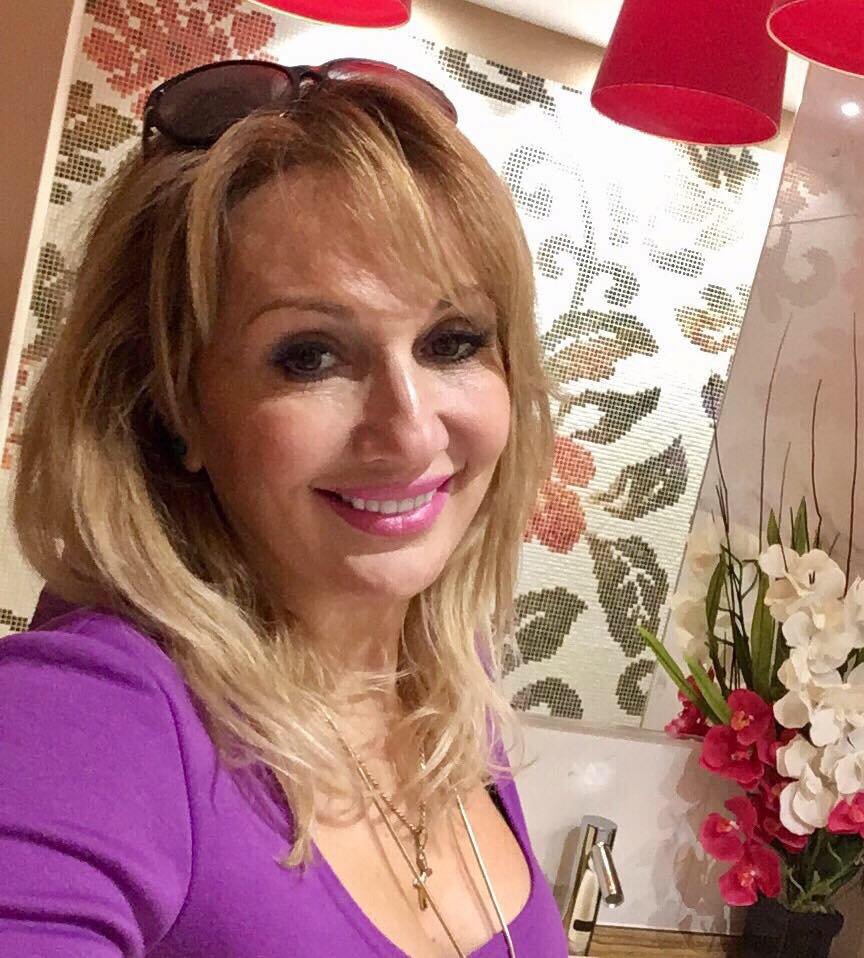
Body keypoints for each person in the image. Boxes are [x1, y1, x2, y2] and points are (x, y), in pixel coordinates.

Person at [0, 58, 568, 957]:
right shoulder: (95, 712)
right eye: (310, 356)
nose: (411, 430)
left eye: (452, 341)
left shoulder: (447, 678)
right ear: (175, 404)